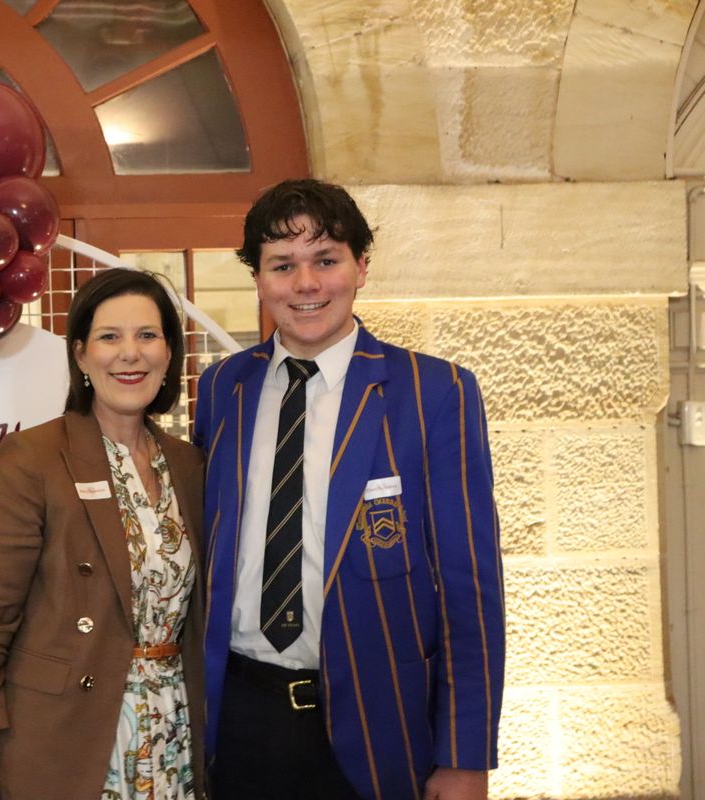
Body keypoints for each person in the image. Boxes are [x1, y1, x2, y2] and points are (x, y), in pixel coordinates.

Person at [193, 179, 505, 800]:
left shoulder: (434, 392)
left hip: (381, 724)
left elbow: (469, 586)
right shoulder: (222, 387)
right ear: (258, 279)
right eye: (283, 265)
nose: (306, 284)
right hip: (241, 719)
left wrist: (465, 757)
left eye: (326, 260)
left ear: (361, 267)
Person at [0, 268, 207, 800]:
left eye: (147, 335)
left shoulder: (189, 464)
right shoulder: (36, 459)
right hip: (68, 743)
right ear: (82, 355)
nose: (130, 354)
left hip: (175, 735)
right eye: (110, 337)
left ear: (168, 353)